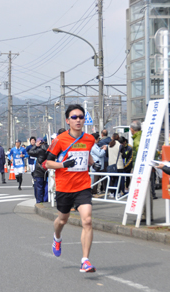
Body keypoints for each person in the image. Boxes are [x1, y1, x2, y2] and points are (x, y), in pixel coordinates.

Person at [45, 104, 100, 273]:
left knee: (87, 221)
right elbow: (47, 163)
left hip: (83, 185)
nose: (78, 120)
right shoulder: (59, 140)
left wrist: (93, 163)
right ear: (68, 121)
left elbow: (86, 153)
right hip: (64, 187)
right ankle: (57, 237)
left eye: (81, 117)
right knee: (62, 220)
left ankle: (85, 260)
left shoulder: (89, 139)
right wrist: (62, 164)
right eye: (74, 117)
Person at [28, 138, 49, 203]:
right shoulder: (49, 149)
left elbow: (30, 152)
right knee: (46, 186)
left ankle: (39, 201)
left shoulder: (40, 150)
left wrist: (35, 146)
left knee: (39, 187)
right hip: (47, 170)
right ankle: (45, 200)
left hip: (39, 171)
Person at [106, 133, 124, 197]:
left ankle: (111, 193)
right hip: (119, 165)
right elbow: (124, 155)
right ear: (118, 138)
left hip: (111, 164)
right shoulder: (120, 145)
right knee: (118, 179)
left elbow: (106, 155)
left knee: (112, 179)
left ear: (112, 137)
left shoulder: (109, 145)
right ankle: (118, 193)